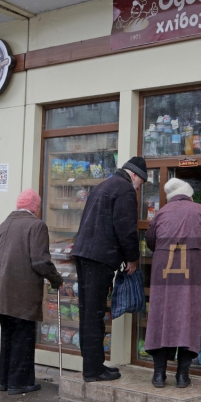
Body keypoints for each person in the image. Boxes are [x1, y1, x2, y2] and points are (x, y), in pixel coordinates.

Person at [145, 178, 201, 388]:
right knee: (189, 316)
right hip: (192, 270)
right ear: (189, 194)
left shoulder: (161, 213)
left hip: (163, 270)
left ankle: (159, 375)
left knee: (160, 317)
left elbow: (151, 241)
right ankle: (182, 376)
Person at [72, 157, 147, 382]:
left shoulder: (103, 185)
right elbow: (126, 229)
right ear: (134, 175)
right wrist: (132, 258)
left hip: (84, 253)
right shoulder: (124, 190)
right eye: (141, 183)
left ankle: (91, 365)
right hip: (100, 257)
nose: (139, 187)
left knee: (88, 312)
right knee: (95, 314)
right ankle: (94, 370)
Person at [0, 189, 64, 395]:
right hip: (21, 291)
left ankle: (5, 381)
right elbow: (40, 260)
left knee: (8, 335)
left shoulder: (3, 225)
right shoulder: (36, 225)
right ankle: (20, 382)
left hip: (1, 290)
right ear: (36, 207)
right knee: (22, 336)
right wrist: (56, 279)